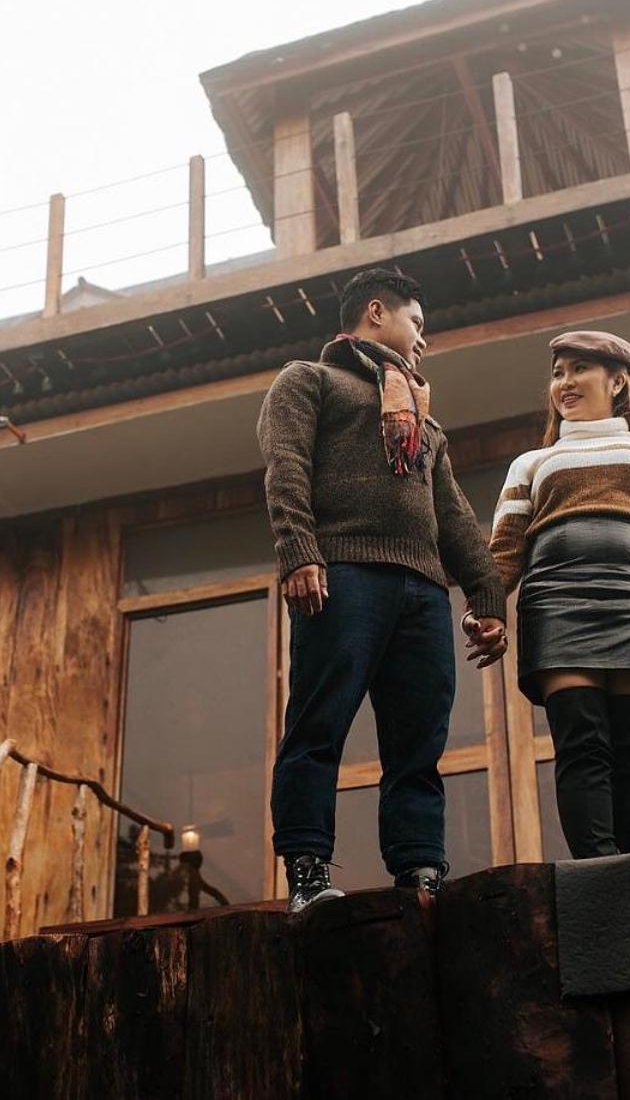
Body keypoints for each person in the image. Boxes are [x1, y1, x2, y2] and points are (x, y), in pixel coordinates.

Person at [258, 267, 509, 913]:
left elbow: (451, 514)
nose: (422, 340)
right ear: (376, 312)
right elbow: (284, 468)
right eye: (416, 324)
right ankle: (308, 874)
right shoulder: (308, 381)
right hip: (341, 577)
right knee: (317, 727)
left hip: (423, 594)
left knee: (418, 743)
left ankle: (420, 875)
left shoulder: (423, 422)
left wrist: (484, 595)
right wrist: (299, 553)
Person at [488, 330, 630, 859]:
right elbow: (503, 552)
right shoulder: (530, 464)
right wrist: (486, 610)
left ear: (617, 382)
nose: (564, 382)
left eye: (578, 370)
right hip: (556, 608)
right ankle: (600, 879)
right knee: (581, 748)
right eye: (558, 372)